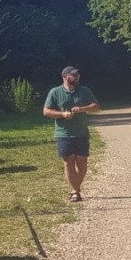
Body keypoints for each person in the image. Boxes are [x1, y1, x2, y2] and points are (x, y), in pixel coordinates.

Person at [43, 66, 100, 203]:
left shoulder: (84, 91)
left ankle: (76, 188)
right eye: (74, 75)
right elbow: (46, 111)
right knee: (68, 163)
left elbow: (96, 107)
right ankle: (75, 191)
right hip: (63, 134)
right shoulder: (55, 92)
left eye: (78, 75)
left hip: (81, 133)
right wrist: (62, 114)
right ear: (65, 77)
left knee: (82, 164)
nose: (77, 77)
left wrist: (82, 109)